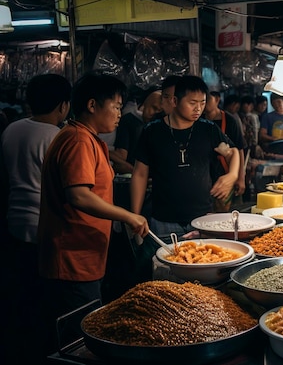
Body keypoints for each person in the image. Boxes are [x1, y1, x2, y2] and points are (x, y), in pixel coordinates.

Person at [38, 73, 150, 357]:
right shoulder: (77, 140)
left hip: (85, 253)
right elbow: (78, 195)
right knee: (79, 340)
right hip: (73, 258)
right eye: (115, 106)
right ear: (91, 105)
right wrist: (128, 216)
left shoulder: (87, 138)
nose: (119, 115)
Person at [0, 74, 71, 363]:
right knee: (48, 301)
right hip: (45, 228)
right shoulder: (57, 137)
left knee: (21, 296)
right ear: (64, 105)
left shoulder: (11, 130)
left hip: (13, 223)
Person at [130, 75, 240, 242]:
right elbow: (140, 174)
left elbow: (232, 152)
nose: (198, 109)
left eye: (202, 103)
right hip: (163, 222)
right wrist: (135, 216)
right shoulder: (152, 131)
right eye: (192, 103)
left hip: (203, 219)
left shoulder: (208, 129)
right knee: (164, 266)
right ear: (175, 101)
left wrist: (232, 175)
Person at [203, 89, 246, 201]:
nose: (203, 103)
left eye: (207, 99)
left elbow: (238, 150)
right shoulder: (199, 122)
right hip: (206, 177)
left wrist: (240, 178)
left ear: (217, 99)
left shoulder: (230, 120)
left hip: (227, 174)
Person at [110, 88, 162, 174]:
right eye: (154, 108)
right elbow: (122, 156)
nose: (153, 114)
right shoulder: (130, 121)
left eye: (159, 113)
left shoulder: (157, 128)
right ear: (147, 102)